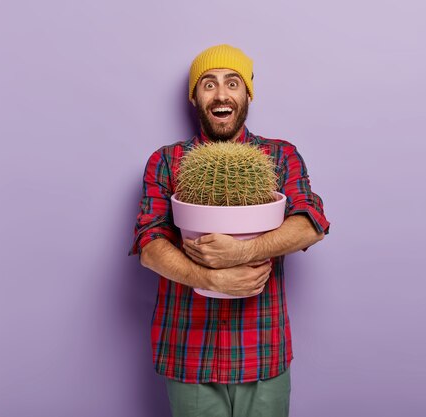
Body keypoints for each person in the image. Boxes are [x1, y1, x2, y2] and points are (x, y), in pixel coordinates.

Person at [130, 44, 330, 417]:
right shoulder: (166, 160)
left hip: (261, 347)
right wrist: (212, 279)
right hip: (188, 349)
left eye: (233, 83)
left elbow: (311, 223)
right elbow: (148, 244)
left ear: (246, 93)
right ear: (194, 96)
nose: (221, 94)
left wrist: (240, 253)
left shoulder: (278, 156)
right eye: (208, 84)